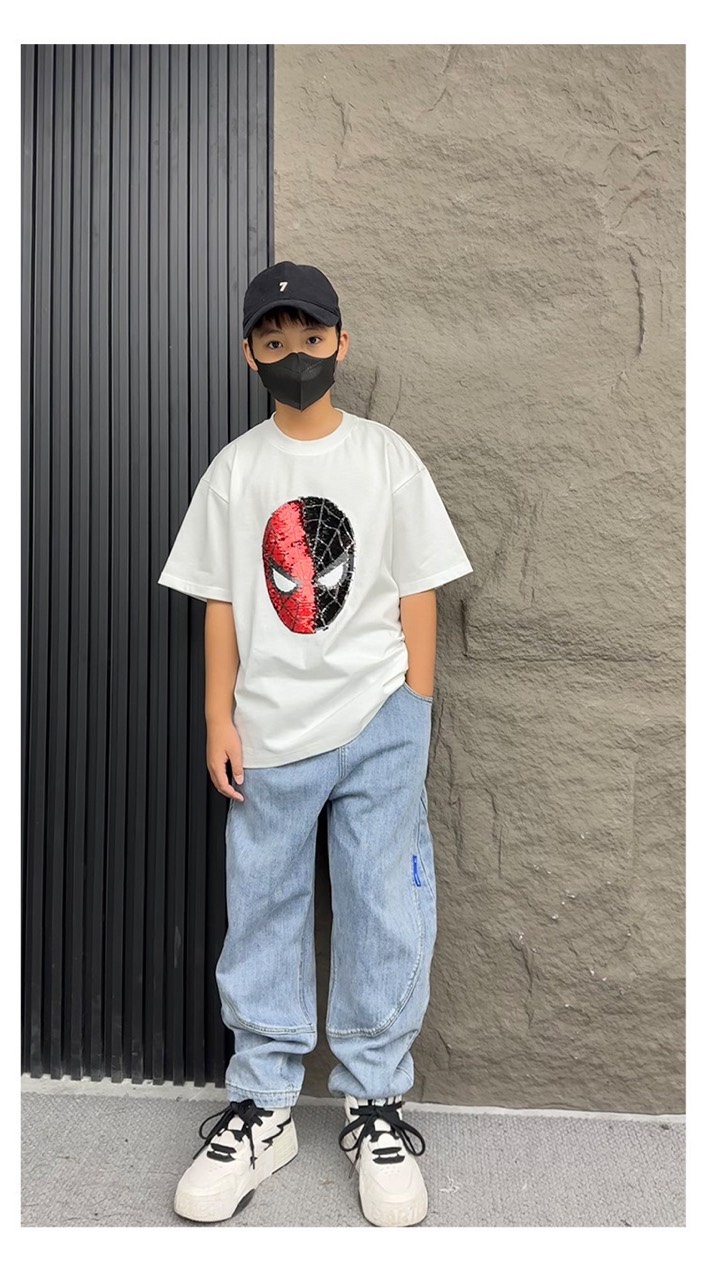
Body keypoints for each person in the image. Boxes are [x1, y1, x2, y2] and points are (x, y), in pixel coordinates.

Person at [157, 261, 474, 1228]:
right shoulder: (236, 469)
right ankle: (263, 1103)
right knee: (263, 904)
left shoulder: (385, 457)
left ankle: (376, 1104)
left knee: (384, 903)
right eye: (274, 339)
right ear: (248, 354)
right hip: (269, 728)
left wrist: (414, 704)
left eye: (310, 336)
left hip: (378, 717)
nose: (294, 354)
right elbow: (221, 601)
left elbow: (419, 584)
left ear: (341, 342)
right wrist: (218, 716)